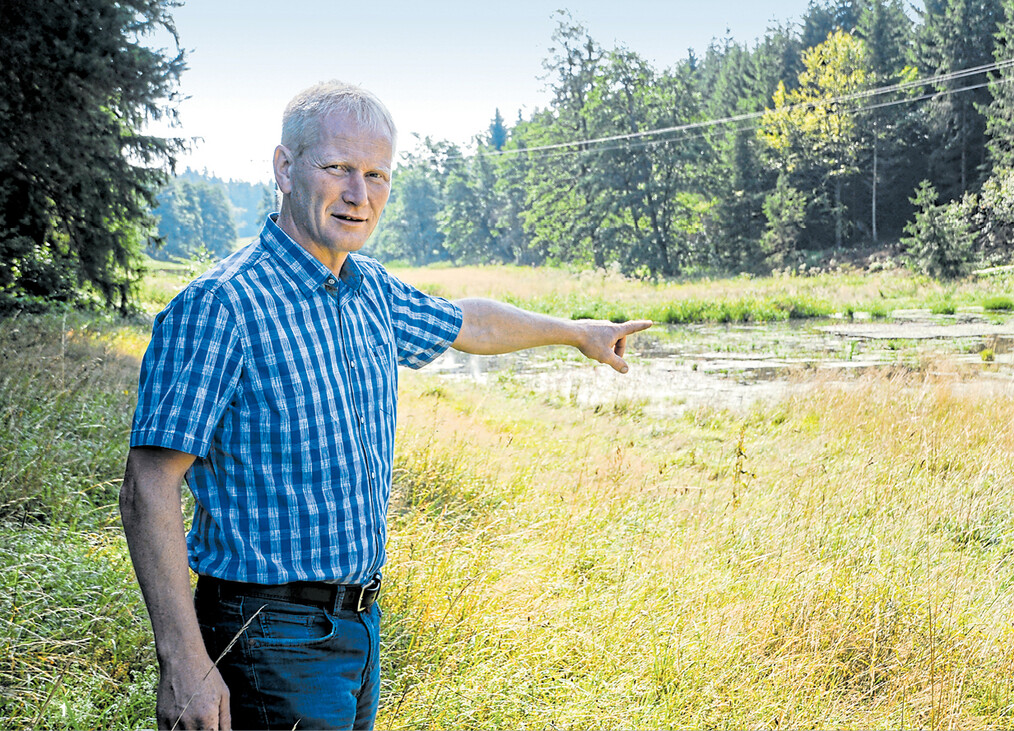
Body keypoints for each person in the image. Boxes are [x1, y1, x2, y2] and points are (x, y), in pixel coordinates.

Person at [120, 80, 651, 731]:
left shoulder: (368, 289)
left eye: (377, 175)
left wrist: (577, 332)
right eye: (338, 168)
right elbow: (149, 483)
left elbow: (470, 323)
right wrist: (185, 661)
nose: (358, 193)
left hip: (360, 625)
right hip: (268, 635)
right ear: (285, 168)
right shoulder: (223, 304)